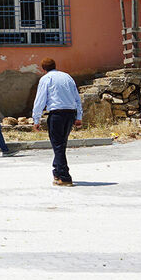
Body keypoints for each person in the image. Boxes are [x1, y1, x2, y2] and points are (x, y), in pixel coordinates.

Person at [31, 57, 82, 186]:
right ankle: (57, 172)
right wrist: (79, 116)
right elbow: (77, 97)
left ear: (43, 69)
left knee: (58, 145)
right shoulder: (67, 77)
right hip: (70, 113)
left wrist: (36, 119)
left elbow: (40, 100)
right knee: (61, 144)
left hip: (57, 115)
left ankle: (65, 176)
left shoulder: (46, 79)